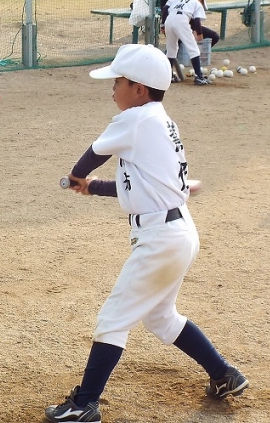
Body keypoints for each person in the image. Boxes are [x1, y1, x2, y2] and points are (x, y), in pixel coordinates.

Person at [45, 44, 248, 423]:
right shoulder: (159, 120)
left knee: (113, 320)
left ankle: (84, 404)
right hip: (177, 231)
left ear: (139, 89)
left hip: (161, 239)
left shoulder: (136, 118)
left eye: (118, 82)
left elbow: (95, 152)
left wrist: (77, 175)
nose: (112, 88)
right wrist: (93, 187)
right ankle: (224, 375)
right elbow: (143, 188)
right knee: (161, 317)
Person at [163, 0, 210, 86]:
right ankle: (199, 77)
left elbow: (165, 8)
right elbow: (197, 20)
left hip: (169, 20)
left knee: (171, 49)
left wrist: (163, 24)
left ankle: (168, 76)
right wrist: (199, 33)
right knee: (193, 49)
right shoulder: (196, 2)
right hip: (181, 20)